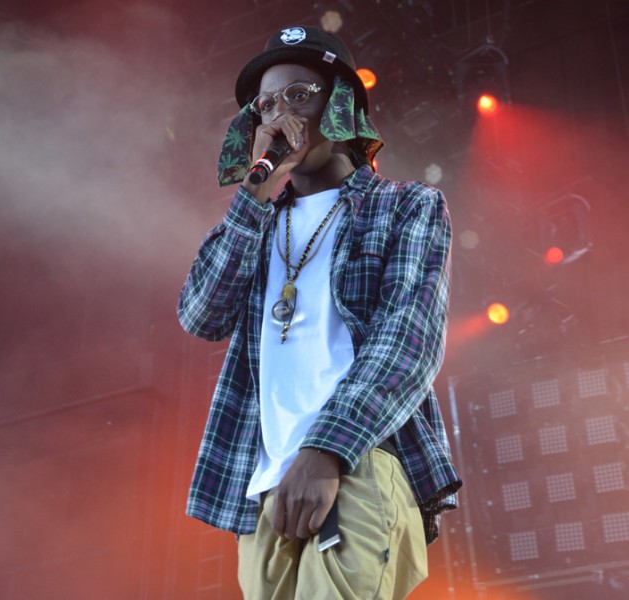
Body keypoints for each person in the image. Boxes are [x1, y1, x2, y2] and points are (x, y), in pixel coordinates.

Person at [177, 25, 462, 600]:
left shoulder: (406, 205)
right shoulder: (257, 223)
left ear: (340, 107)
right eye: (267, 105)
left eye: (299, 95)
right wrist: (253, 197)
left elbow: (408, 341)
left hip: (356, 458)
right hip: (264, 486)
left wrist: (325, 448)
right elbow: (201, 314)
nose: (281, 114)